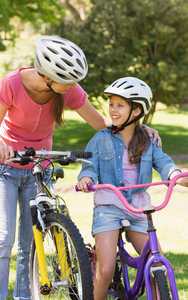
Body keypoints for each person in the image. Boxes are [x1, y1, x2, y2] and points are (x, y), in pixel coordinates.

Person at [0, 35, 160, 300]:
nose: (71, 87)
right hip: (5, 166)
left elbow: (101, 122)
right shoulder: (12, 84)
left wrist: (138, 125)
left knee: (29, 243)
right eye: (66, 81)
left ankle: (23, 296)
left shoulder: (67, 91)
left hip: (39, 167)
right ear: (47, 76)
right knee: (1, 239)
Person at [77, 77, 188, 300]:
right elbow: (89, 165)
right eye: (111, 104)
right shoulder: (100, 139)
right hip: (109, 207)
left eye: (120, 105)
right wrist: (86, 178)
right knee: (106, 268)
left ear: (136, 111)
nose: (113, 110)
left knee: (157, 264)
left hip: (138, 208)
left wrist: (176, 175)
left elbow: (164, 163)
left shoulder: (148, 140)